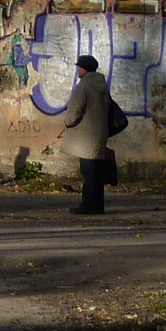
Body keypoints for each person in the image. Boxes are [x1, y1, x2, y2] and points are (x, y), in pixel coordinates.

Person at [61, 53, 111, 214]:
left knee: (88, 172)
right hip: (99, 134)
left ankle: (87, 206)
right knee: (97, 174)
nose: (77, 70)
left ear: (85, 69)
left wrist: (67, 122)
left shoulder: (83, 86)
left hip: (85, 137)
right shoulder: (101, 86)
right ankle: (98, 206)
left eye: (79, 67)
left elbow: (74, 113)